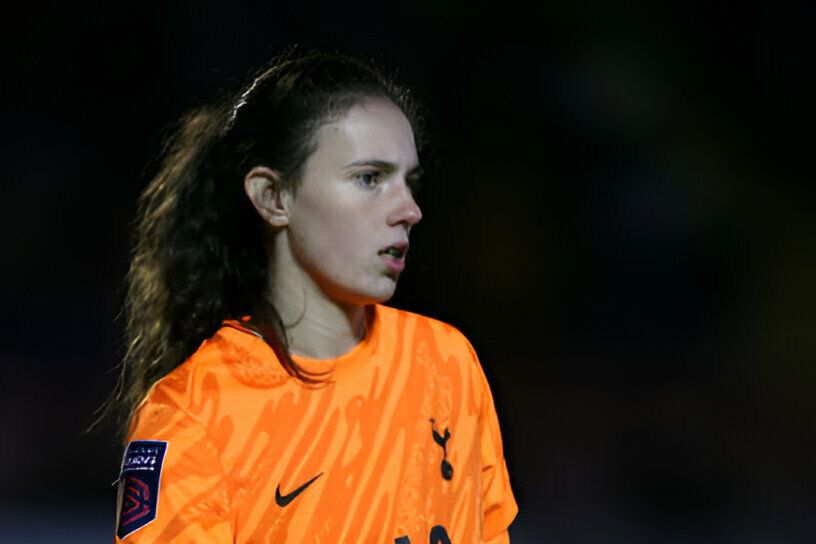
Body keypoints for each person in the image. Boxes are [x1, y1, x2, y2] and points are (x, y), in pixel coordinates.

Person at [110, 49, 517, 543]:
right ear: (272, 197)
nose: (409, 209)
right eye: (370, 178)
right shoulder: (194, 412)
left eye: (409, 182)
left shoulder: (447, 363)